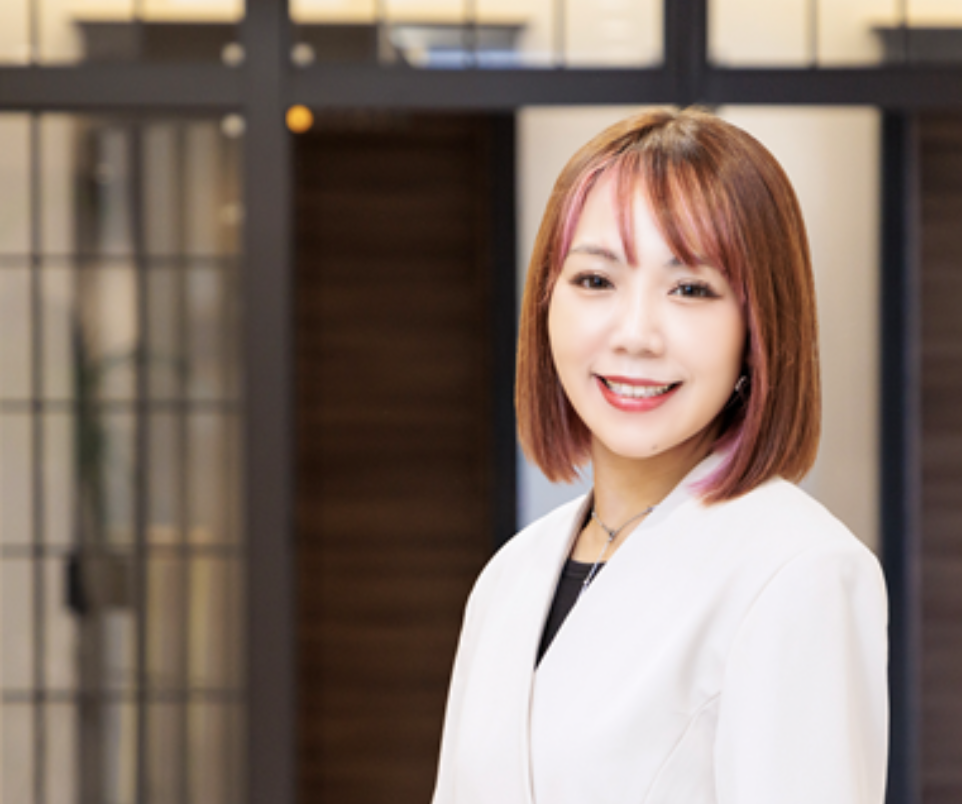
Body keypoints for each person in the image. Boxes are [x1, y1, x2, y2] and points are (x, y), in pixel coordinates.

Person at [430, 107, 889, 804]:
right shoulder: (510, 576)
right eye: (595, 280)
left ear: (758, 328)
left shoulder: (801, 572)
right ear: (545, 303)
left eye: (691, 289)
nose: (636, 334)